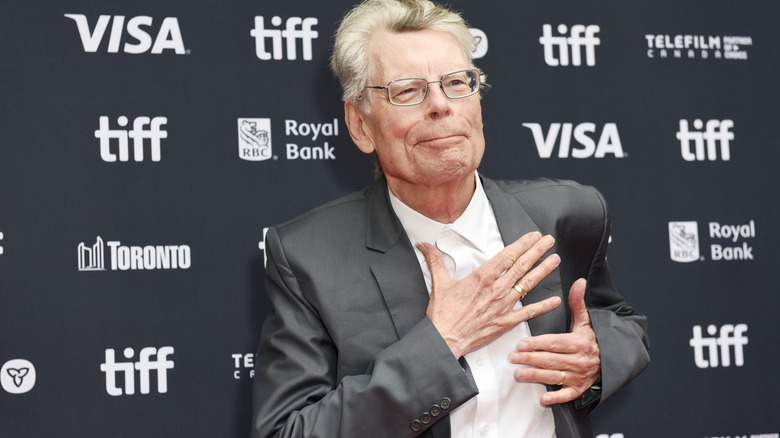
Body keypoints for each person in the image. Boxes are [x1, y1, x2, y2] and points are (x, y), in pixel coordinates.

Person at [251, 0, 650, 437]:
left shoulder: (567, 213)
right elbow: (285, 432)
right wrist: (441, 343)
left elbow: (619, 320)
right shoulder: (308, 258)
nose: (441, 105)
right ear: (360, 125)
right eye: (407, 90)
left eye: (457, 83)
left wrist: (596, 358)